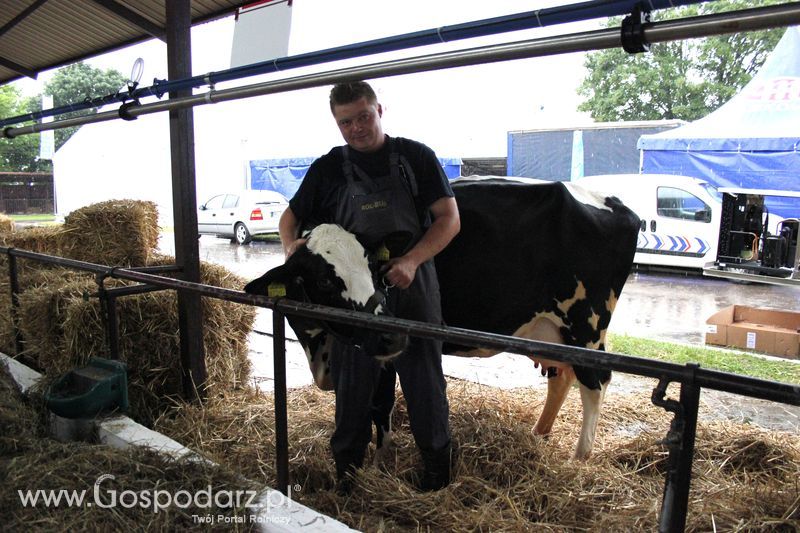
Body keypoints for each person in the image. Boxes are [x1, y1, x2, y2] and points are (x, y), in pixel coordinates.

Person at [278, 80, 460, 493]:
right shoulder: (328, 168)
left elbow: (450, 219)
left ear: (379, 110)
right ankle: (348, 477)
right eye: (346, 122)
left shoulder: (415, 157)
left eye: (363, 116)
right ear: (336, 123)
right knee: (352, 387)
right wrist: (291, 246)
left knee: (425, 385)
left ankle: (437, 479)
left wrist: (412, 260)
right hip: (353, 296)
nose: (356, 128)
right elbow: (289, 219)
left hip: (411, 285)